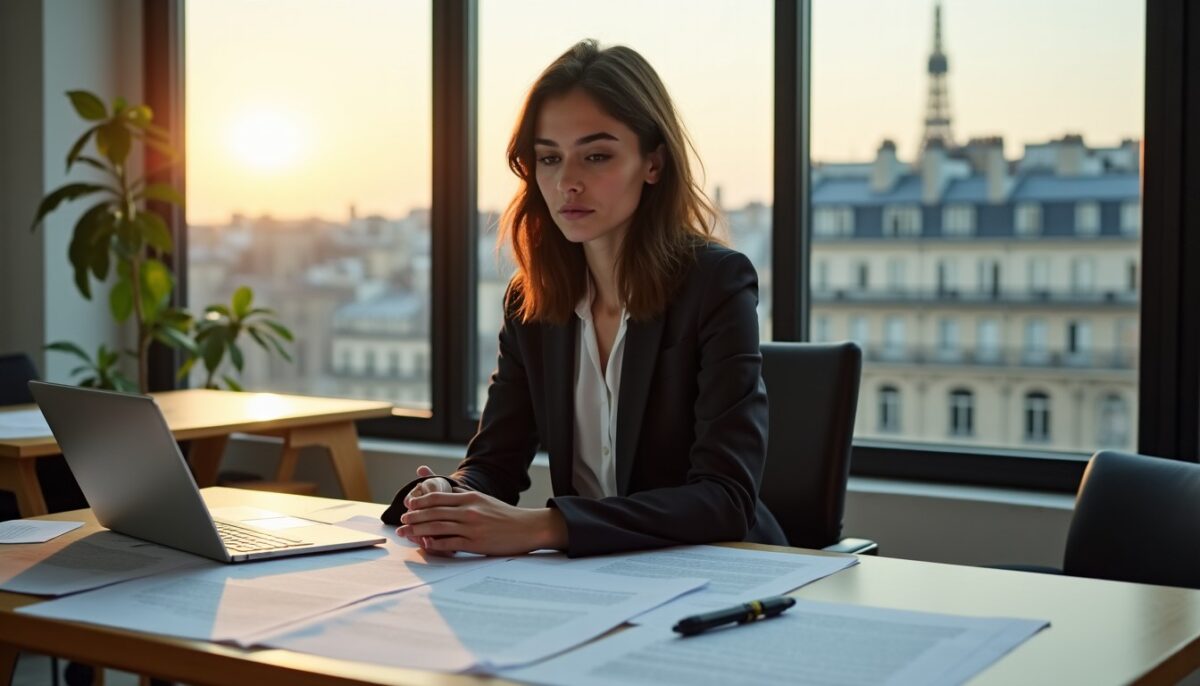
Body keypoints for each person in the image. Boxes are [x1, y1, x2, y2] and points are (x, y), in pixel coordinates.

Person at [381, 39, 785, 557]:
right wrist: (450, 495)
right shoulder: (532, 301)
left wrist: (544, 527)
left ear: (653, 163)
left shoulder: (717, 283)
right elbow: (494, 465)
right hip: (590, 580)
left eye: (596, 155)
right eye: (549, 158)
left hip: (719, 572)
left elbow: (724, 500)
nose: (567, 181)